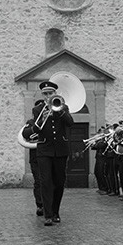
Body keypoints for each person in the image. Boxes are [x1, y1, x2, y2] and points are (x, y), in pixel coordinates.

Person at [32, 81, 74, 226]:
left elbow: (70, 123)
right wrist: (42, 118)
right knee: (46, 182)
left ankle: (56, 212)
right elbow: (35, 129)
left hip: (61, 150)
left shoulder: (63, 107)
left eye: (51, 93)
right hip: (44, 150)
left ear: (55, 94)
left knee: (59, 182)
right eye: (45, 94)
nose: (48, 96)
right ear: (42, 95)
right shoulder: (37, 109)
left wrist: (60, 110)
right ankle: (48, 215)